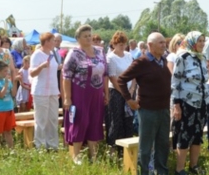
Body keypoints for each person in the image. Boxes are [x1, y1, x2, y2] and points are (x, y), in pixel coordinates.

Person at [117, 33, 179, 175]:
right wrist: (129, 99)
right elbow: (121, 80)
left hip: (164, 109)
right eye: (160, 43)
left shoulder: (163, 60)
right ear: (150, 45)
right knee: (146, 146)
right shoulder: (141, 62)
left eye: (164, 42)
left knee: (163, 144)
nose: (164, 45)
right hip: (148, 110)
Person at [62, 25, 109, 164]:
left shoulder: (100, 52)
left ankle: (93, 156)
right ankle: (76, 155)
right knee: (80, 121)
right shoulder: (74, 53)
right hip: (79, 93)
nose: (88, 38)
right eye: (85, 36)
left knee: (95, 121)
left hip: (97, 93)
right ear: (78, 39)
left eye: (90, 35)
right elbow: (66, 76)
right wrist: (67, 98)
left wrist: (106, 93)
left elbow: (105, 74)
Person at [170, 31, 209, 175]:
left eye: (203, 41)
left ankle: (194, 166)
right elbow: (175, 82)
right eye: (199, 41)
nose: (202, 43)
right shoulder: (183, 57)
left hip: (202, 102)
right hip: (187, 103)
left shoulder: (203, 57)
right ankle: (180, 169)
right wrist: (177, 105)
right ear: (192, 41)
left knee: (198, 135)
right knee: (185, 135)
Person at [30, 32, 62, 150]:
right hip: (40, 91)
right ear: (47, 42)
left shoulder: (54, 54)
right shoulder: (37, 55)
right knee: (41, 120)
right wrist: (41, 66)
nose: (55, 43)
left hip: (53, 90)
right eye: (53, 40)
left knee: (53, 119)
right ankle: (40, 146)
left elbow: (55, 70)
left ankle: (53, 146)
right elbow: (32, 73)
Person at [105, 31, 135, 154]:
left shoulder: (128, 55)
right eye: (119, 44)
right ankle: (112, 148)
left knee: (128, 120)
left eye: (124, 44)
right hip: (116, 92)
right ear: (114, 44)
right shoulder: (111, 58)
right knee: (116, 120)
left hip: (129, 91)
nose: (122, 46)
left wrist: (132, 89)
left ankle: (125, 150)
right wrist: (124, 93)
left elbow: (134, 73)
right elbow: (112, 77)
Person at [0, 61, 18, 154]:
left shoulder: (8, 81)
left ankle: (11, 150)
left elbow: (13, 94)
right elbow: (0, 95)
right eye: (5, 71)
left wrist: (15, 82)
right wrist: (5, 85)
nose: (7, 73)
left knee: (8, 131)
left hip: (9, 109)